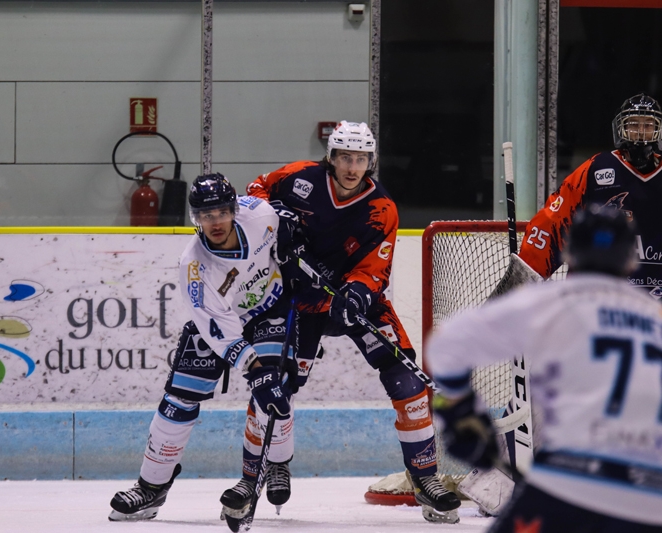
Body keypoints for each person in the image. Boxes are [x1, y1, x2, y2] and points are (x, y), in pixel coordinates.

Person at [245, 121, 462, 524]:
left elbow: (376, 266)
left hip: (356, 299)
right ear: (331, 157)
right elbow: (255, 191)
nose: (351, 166)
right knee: (277, 383)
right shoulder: (297, 178)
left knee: (408, 383)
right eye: (345, 157)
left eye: (360, 159)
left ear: (371, 161)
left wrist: (359, 292)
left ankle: (425, 478)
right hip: (300, 297)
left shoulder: (382, 209)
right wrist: (271, 215)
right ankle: (271, 465)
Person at [429, 205, 662, 532]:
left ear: (570, 253)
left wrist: (460, 409)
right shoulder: (655, 316)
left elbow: (447, 344)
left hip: (569, 481)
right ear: (630, 260)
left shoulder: (551, 302)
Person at [108, 173, 296, 522]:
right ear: (196, 218)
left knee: (274, 391)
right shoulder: (193, 266)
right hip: (220, 327)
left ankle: (278, 463)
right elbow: (219, 329)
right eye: (205, 216)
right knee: (178, 400)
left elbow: (284, 219)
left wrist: (290, 235)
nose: (215, 222)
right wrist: (253, 368)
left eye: (221, 212)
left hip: (271, 308)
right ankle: (151, 487)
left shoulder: (260, 215)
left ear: (234, 209)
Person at [495, 93, 662, 297]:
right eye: (634, 125)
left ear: (657, 129)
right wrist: (524, 276)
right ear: (622, 129)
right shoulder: (594, 170)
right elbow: (553, 224)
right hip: (596, 298)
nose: (641, 132)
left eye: (648, 125)